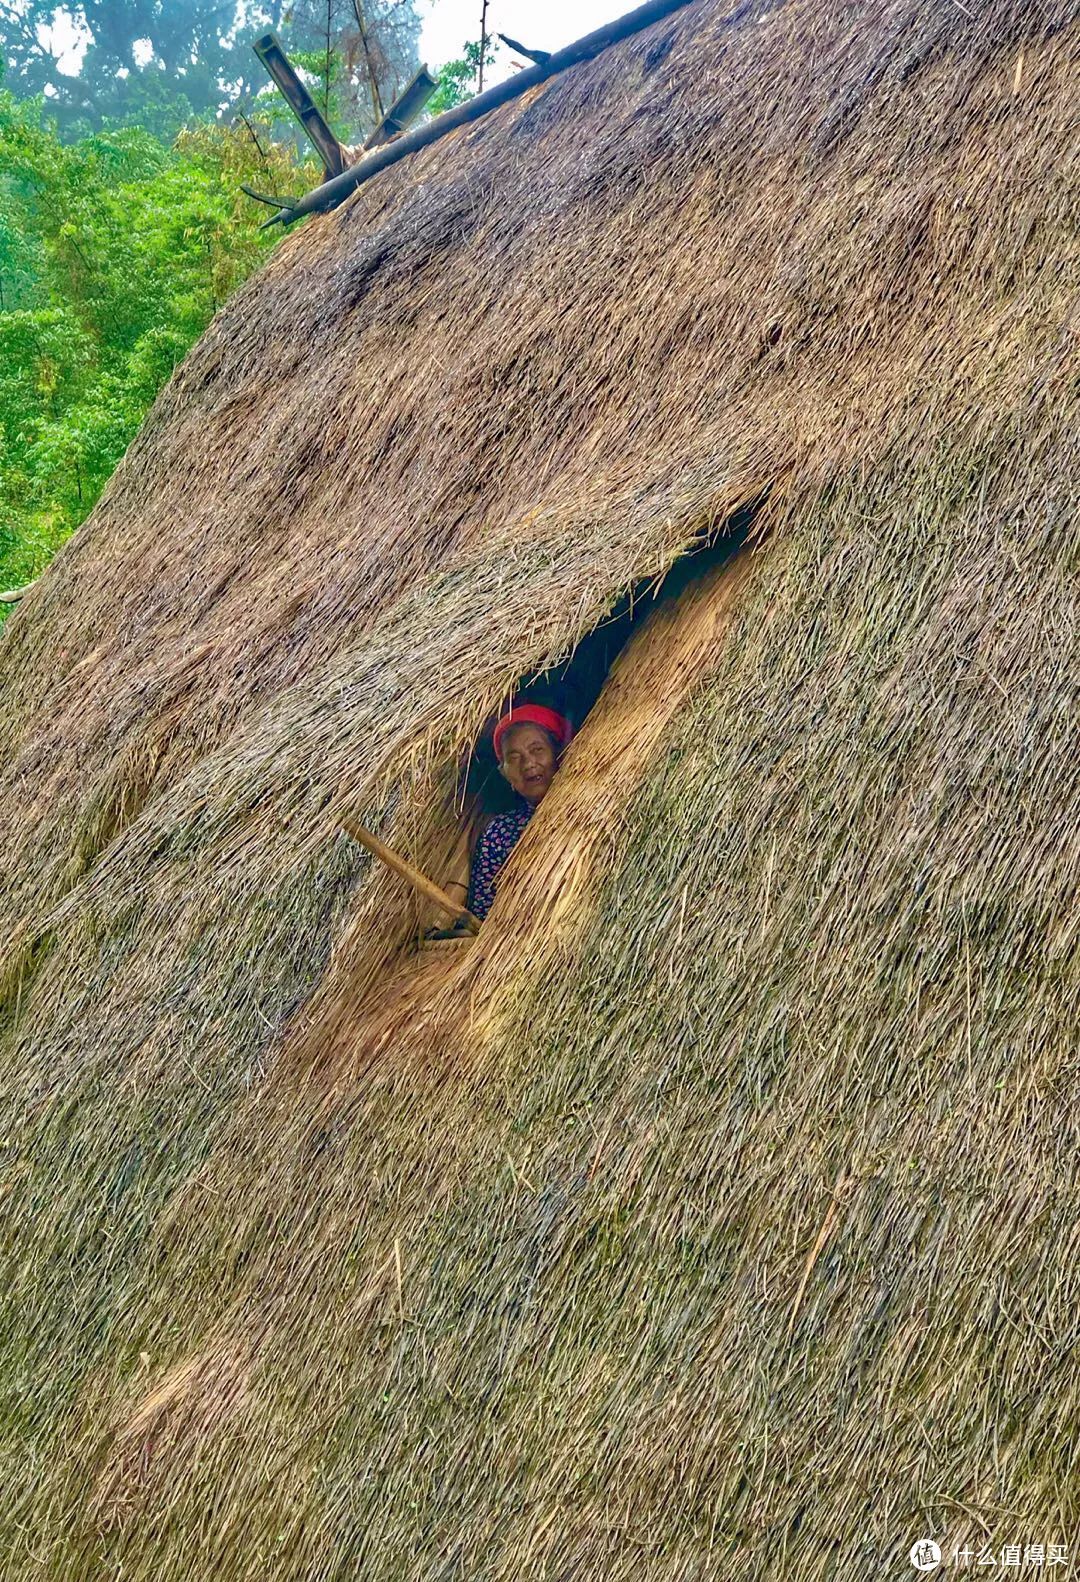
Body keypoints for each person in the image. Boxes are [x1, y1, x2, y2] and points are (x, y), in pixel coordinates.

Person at [464, 704, 572, 923]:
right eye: (514, 758)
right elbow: (483, 913)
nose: (528, 763)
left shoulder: (592, 810)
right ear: (506, 775)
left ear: (558, 754)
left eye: (537, 749)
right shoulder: (500, 833)